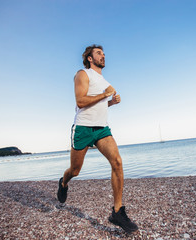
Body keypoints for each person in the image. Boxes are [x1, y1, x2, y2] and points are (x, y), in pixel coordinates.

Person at [57, 44, 138, 233]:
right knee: (75, 171)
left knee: (117, 162)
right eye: (99, 53)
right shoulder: (83, 74)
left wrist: (109, 102)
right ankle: (63, 182)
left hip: (102, 129)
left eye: (103, 53)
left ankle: (117, 212)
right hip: (83, 129)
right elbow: (81, 101)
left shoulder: (103, 80)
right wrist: (104, 95)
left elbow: (98, 106)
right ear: (90, 59)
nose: (103, 56)